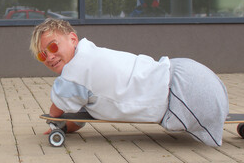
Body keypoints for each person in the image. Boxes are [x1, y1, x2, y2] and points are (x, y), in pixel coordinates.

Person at [30, 18, 229, 147]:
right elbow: (80, 114)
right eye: (42, 55)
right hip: (188, 71)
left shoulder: (73, 74)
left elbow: (56, 110)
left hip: (184, 93)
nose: (49, 56)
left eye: (53, 46)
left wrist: (57, 121)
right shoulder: (92, 57)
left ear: (73, 39)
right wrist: (67, 126)